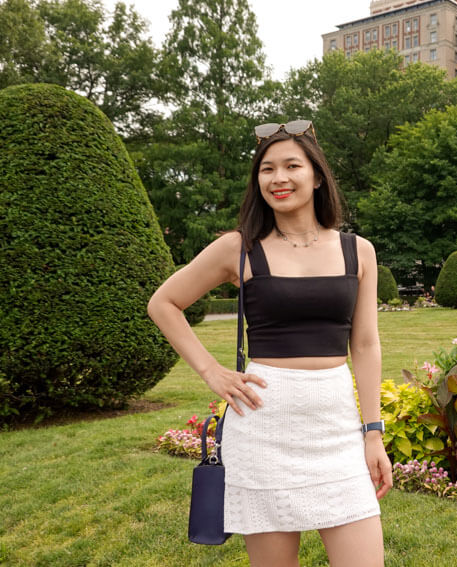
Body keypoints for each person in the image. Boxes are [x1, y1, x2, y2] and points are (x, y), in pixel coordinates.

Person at [148, 120, 391, 567]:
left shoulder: (359, 251)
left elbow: (366, 344)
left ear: (317, 176)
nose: (278, 178)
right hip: (263, 428)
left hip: (335, 428)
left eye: (292, 165)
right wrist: (211, 372)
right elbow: (164, 303)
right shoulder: (238, 248)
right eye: (267, 169)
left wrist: (372, 433)